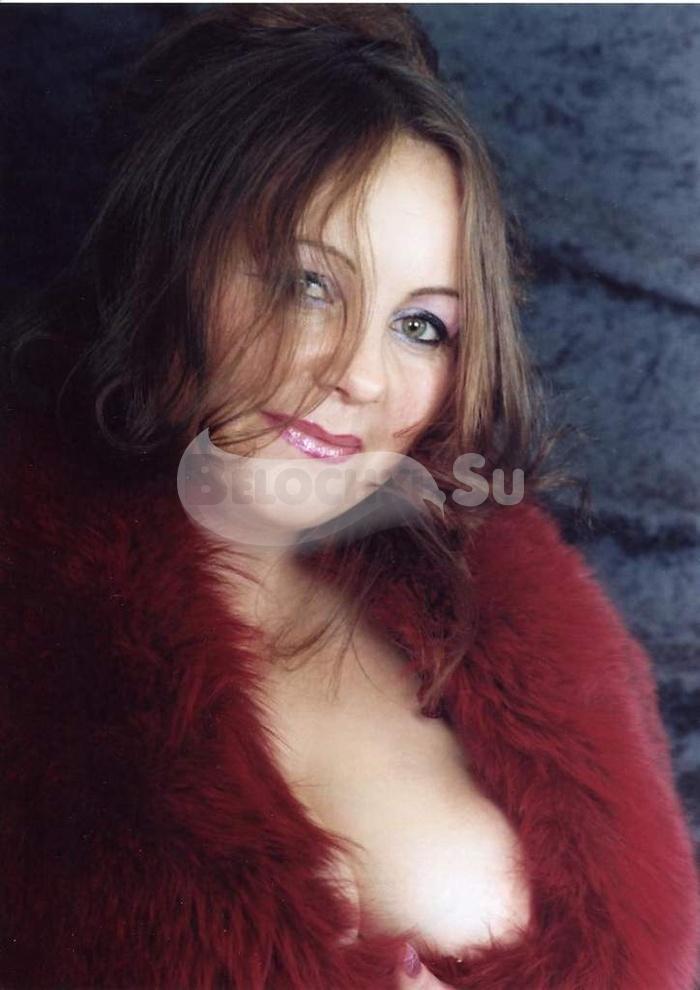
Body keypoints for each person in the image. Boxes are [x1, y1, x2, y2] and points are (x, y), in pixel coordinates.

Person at [1, 5, 698, 988]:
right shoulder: (36, 646)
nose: (360, 374)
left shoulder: (526, 627)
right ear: (173, 260)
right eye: (309, 284)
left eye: (421, 326)